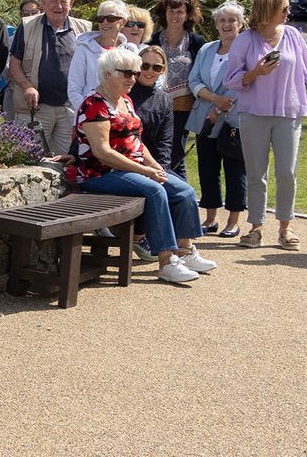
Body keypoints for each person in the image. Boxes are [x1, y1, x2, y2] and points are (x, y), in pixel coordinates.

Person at [71, 48, 216, 283]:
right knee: (155, 190)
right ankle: (166, 261)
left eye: (134, 73)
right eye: (126, 73)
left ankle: (185, 251)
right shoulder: (94, 104)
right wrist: (144, 171)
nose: (132, 78)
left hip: (130, 168)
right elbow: (102, 152)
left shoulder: (124, 100)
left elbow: (135, 141)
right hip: (101, 172)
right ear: (108, 74)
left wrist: (155, 166)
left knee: (184, 190)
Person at [225, 0, 307, 250]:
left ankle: (285, 228)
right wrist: (255, 73)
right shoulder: (244, 40)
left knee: (287, 172)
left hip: (289, 113)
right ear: (268, 9)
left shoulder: (294, 36)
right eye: (284, 8)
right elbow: (231, 80)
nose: (289, 12)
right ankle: (256, 227)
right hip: (254, 114)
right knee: (256, 173)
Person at [8, 0, 92, 156]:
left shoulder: (84, 29)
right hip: (36, 109)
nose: (58, 6)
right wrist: (27, 86)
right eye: (53, 1)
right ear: (44, 4)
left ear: (72, 3)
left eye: (63, 1)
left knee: (67, 162)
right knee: (28, 159)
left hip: (69, 108)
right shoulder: (27, 26)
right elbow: (14, 63)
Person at [187, 0, 246, 237]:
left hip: (233, 120)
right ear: (216, 24)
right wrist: (213, 99)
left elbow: (243, 84)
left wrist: (221, 107)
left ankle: (233, 221)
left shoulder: (245, 50)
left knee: (235, 170)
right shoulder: (206, 49)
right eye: (222, 20)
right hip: (204, 118)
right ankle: (210, 218)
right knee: (207, 169)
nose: (227, 24)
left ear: (241, 23)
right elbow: (194, 80)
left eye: (232, 20)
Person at [150, 0, 206, 179]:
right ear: (164, 13)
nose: (175, 16)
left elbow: (202, 74)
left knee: (176, 155)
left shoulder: (195, 42)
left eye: (180, 11)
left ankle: (181, 199)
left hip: (182, 109)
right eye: (171, 11)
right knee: (154, 153)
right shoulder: (154, 40)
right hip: (155, 107)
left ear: (188, 14)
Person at [67, 0, 140, 112]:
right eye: (101, 19)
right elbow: (74, 89)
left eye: (111, 18)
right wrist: (89, 113)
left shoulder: (130, 50)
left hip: (121, 115)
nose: (105, 22)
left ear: (123, 22)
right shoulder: (83, 50)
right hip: (90, 117)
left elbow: (132, 86)